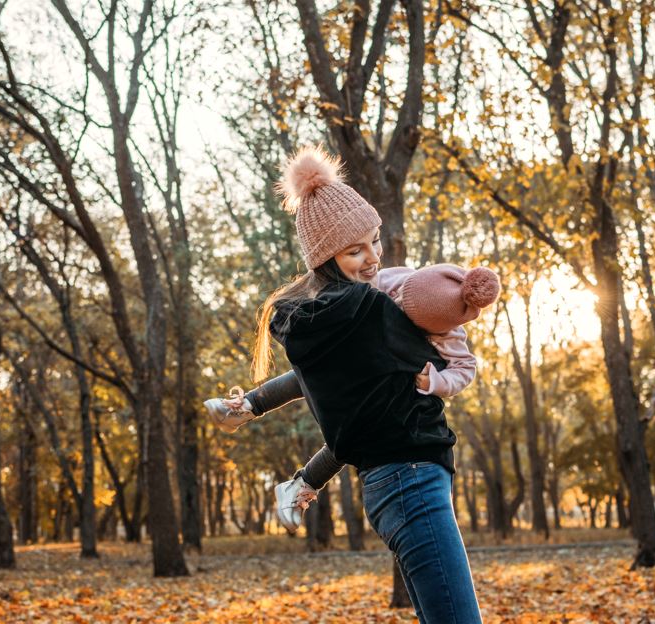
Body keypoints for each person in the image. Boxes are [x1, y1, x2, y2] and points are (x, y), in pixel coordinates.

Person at [209, 145, 486, 623]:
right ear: (325, 257)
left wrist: (260, 412)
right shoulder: (369, 311)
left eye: (375, 241)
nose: (374, 258)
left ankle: (255, 421)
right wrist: (438, 356)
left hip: (397, 480)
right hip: (411, 478)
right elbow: (386, 397)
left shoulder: (336, 321)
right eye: (355, 250)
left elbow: (354, 413)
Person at [207, 260, 499, 532]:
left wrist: (436, 381)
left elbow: (465, 369)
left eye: (407, 313)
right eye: (398, 298)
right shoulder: (395, 280)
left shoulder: (451, 335)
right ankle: (245, 405)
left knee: (355, 434)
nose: (396, 305)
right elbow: (366, 294)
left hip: (391, 392)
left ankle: (303, 483)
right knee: (313, 373)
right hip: (365, 360)